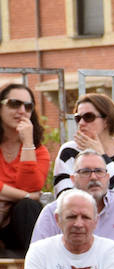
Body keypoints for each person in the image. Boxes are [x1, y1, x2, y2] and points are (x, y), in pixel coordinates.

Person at [33, 148, 114, 269]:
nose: (94, 177)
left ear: (107, 177)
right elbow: (38, 261)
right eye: (85, 172)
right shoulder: (52, 212)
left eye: (99, 171)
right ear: (73, 179)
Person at [53, 94, 114, 196]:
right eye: (78, 118)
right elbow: (63, 195)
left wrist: (102, 155)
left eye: (88, 117)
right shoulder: (69, 150)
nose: (81, 123)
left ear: (106, 121)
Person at [0, 83, 50, 255]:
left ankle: (35, 263)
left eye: (28, 107)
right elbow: (29, 193)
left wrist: (28, 143)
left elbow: (29, 187)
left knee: (28, 206)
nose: (22, 110)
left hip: (16, 227)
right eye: (14, 104)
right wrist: (26, 195)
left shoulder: (39, 151)